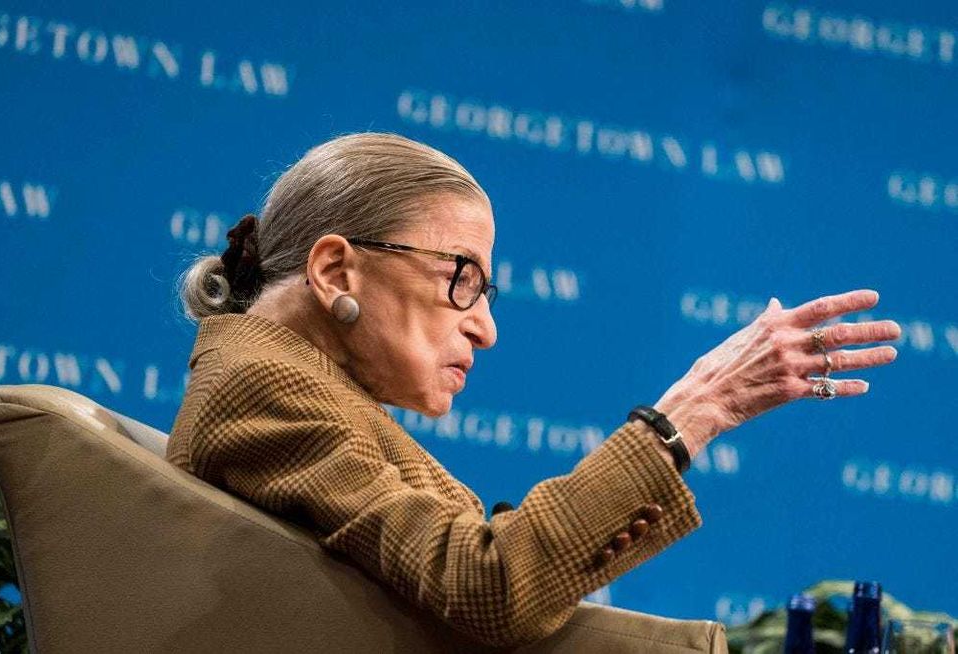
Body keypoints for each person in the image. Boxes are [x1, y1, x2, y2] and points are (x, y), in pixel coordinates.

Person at [166, 132, 900, 648]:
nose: (485, 328)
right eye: (462, 278)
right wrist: (691, 413)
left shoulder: (294, 387)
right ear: (335, 271)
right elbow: (487, 586)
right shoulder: (264, 388)